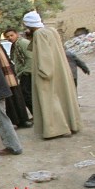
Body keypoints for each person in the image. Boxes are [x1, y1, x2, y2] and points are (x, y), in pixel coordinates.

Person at [22, 11, 82, 139]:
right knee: (61, 97)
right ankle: (70, 124)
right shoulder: (51, 31)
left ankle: (58, 129)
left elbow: (45, 55)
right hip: (59, 69)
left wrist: (44, 73)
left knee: (50, 99)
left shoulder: (39, 33)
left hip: (48, 72)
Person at [3, 28, 34, 115]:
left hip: (27, 72)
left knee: (26, 95)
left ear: (16, 34)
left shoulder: (22, 43)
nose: (10, 38)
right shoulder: (15, 44)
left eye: (11, 35)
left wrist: (26, 71)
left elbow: (30, 57)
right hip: (23, 73)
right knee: (27, 96)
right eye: (7, 37)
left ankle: (37, 114)